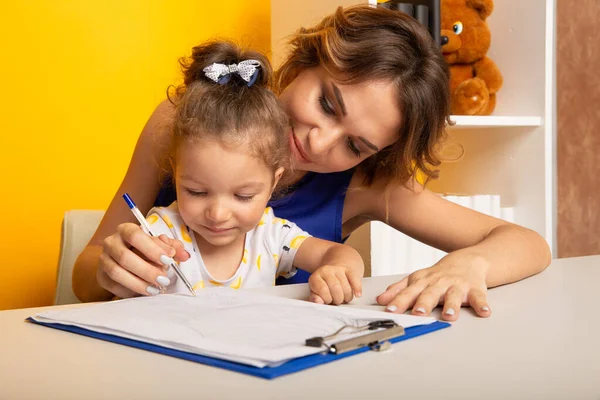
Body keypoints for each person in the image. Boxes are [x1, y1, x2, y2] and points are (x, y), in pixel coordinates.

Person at [72, 5, 551, 320]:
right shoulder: (186, 122)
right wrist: (106, 269)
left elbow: (528, 244)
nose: (321, 145)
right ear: (303, 63)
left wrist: (470, 265)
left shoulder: (367, 185)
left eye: (356, 145)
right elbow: (84, 273)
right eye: (326, 104)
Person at [111, 41, 364, 303]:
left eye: (243, 196)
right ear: (175, 173)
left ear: (272, 183)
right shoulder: (162, 231)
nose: (218, 214)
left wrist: (339, 271)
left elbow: (337, 254)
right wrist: (139, 269)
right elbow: (118, 291)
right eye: (196, 191)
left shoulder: (271, 235)